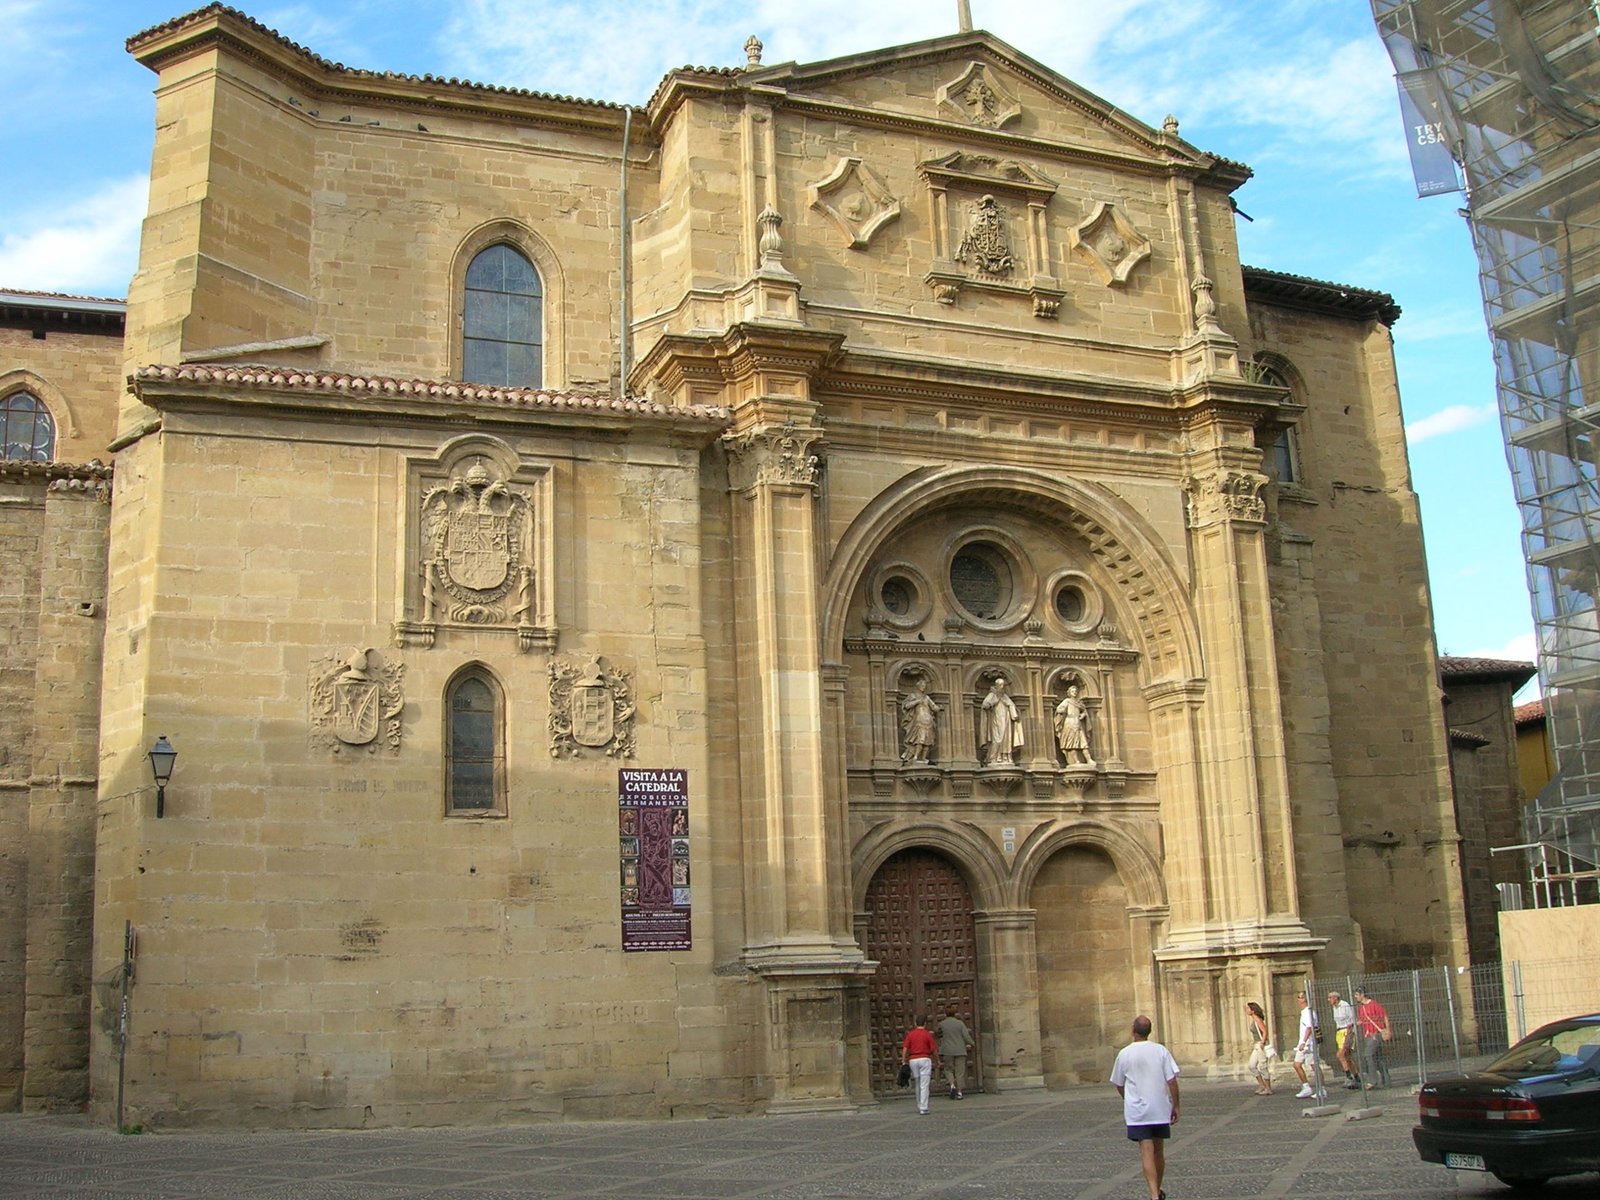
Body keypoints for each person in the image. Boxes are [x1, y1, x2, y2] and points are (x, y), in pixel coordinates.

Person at [1110, 1015, 1180, 1200]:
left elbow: (1118, 1083)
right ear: (1149, 1031)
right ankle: (1158, 1190)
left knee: (1147, 1153)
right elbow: (1172, 1081)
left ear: (1133, 1031)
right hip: (1160, 1108)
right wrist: (1176, 1105)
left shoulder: (1124, 1054)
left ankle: (1154, 1194)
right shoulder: (1161, 1051)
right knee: (1158, 1152)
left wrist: (1128, 1099)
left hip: (1138, 1111)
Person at [1353, 987, 1392, 1088]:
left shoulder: (1374, 1004)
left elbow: (1384, 1016)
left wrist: (1387, 1030)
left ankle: (1372, 1080)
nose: (1355, 997)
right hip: (1368, 1035)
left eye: (1357, 995)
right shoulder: (1361, 1008)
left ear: (1362, 995)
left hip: (1376, 1034)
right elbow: (1362, 1020)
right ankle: (1386, 1080)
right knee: (1379, 1058)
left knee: (1368, 1055)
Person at [980, 677, 1023, 765]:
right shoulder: (992, 695)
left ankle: (1006, 756)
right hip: (995, 721)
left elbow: (1011, 705)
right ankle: (994, 757)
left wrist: (1014, 714)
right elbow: (985, 705)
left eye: (1003, 685)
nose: (1002, 687)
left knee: (1006, 738)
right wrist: (994, 701)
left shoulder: (1005, 696)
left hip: (1006, 721)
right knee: (997, 739)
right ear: (996, 685)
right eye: (1000, 685)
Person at [902, 1015, 939, 1115]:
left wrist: (903, 1060)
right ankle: (924, 1107)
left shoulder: (911, 1034)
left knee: (917, 1083)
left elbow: (905, 1048)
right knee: (924, 1084)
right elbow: (933, 1050)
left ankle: (919, 1104)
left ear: (915, 1023)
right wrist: (937, 1061)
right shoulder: (927, 1034)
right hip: (924, 1059)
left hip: (913, 1060)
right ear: (925, 1023)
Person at [937, 1005, 976, 1099]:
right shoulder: (960, 1023)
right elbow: (966, 1036)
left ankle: (952, 1085)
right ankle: (959, 1092)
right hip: (960, 1050)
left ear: (945, 1013)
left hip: (947, 1050)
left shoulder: (942, 1024)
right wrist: (972, 1043)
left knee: (948, 1069)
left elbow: (938, 1034)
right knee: (960, 1072)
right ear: (955, 1013)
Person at [900, 677, 940, 764]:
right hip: (918, 720)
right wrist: (917, 701)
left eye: (924, 685)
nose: (923, 687)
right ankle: (915, 757)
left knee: (928, 740)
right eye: (922, 685)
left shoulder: (926, 697)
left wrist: (939, 708)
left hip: (928, 721)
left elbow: (933, 706)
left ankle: (923, 758)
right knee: (919, 739)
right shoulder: (913, 696)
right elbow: (906, 706)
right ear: (918, 686)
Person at [1053, 684, 1094, 766]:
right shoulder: (1067, 701)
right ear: (1069, 693)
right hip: (1069, 724)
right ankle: (1076, 761)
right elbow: (1059, 709)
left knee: (1083, 743)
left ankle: (1089, 760)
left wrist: (1083, 715)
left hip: (1078, 724)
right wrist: (1062, 710)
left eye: (1075, 691)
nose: (1074, 692)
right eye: (1072, 691)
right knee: (1071, 744)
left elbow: (1084, 711)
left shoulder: (1079, 703)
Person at [1328, 990, 1358, 1087]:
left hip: (1346, 1031)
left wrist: (1349, 1034)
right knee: (1347, 1057)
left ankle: (1349, 1077)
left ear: (1336, 998)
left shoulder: (1345, 1005)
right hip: (1339, 1032)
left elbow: (1351, 1019)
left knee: (1340, 1054)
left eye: (1330, 997)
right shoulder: (1334, 1007)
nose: (1328, 1000)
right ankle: (1356, 1077)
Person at [1291, 991, 1318, 1098]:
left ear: (1304, 999)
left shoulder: (1308, 1012)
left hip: (1308, 1044)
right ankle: (1306, 1087)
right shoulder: (1304, 1012)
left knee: (1314, 1065)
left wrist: (1303, 1042)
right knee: (1296, 1065)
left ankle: (1322, 1089)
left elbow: (1309, 1028)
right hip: (1302, 1044)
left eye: (1300, 997)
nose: (1298, 999)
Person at [1245, 1001, 1274, 1095]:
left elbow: (1265, 1031)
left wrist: (1262, 1042)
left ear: (1253, 1010)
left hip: (1261, 1045)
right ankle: (1262, 1085)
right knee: (1252, 1065)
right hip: (1256, 1045)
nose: (1246, 1010)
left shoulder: (1258, 1019)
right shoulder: (1254, 1020)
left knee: (1263, 1066)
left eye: (1248, 1008)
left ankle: (1268, 1088)